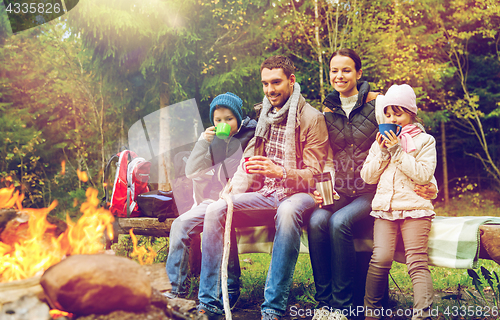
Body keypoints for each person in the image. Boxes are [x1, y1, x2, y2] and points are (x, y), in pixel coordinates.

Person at [307, 49, 437, 320]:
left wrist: (432, 185)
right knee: (317, 219)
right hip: (343, 190)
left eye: (346, 70)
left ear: (358, 73)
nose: (339, 75)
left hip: (370, 193)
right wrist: (322, 188)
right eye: (334, 70)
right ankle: (325, 303)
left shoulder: (378, 104)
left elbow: (418, 148)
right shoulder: (327, 110)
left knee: (339, 222)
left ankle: (343, 307)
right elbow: (325, 156)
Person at [196, 55, 329, 320]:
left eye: (276, 82)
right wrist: (234, 185)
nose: (270, 90)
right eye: (265, 84)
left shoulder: (312, 118)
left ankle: (273, 308)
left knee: (289, 211)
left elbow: (315, 175)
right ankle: (210, 301)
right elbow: (248, 164)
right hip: (266, 193)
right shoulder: (264, 117)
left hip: (299, 194)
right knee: (216, 210)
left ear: (291, 81)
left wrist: (279, 171)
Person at [165, 92, 257, 305]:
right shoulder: (214, 140)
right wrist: (201, 143)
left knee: (223, 221)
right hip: (214, 199)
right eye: (218, 120)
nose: (223, 123)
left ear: (239, 118)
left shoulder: (251, 135)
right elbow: (191, 172)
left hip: (243, 198)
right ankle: (176, 290)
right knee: (180, 225)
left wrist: (227, 196)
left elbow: (249, 174)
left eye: (228, 119)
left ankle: (231, 286)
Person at [361, 84, 436, 320]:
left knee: (416, 261)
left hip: (415, 210)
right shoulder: (378, 144)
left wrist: (397, 151)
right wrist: (384, 152)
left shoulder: (424, 141)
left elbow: (424, 175)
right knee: (380, 258)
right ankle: (370, 313)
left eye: (398, 114)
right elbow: (367, 176)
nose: (393, 119)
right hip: (385, 210)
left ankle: (421, 314)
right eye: (388, 114)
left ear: (411, 114)